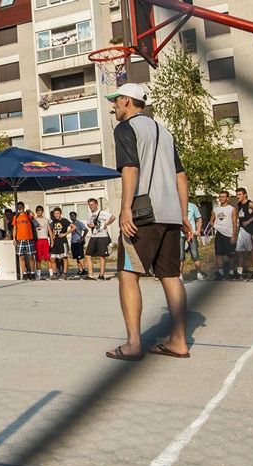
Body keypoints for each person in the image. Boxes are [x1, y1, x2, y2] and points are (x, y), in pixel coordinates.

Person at [106, 83, 192, 361]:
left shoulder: (126, 129)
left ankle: (133, 344)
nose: (113, 106)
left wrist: (125, 209)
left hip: (144, 214)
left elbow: (131, 167)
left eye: (116, 100)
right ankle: (179, 341)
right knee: (170, 276)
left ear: (128, 101)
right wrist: (183, 214)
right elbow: (181, 176)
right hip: (170, 215)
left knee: (128, 274)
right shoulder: (164, 131)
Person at [234, 187, 253, 280]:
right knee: (239, 251)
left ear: (245, 195)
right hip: (242, 230)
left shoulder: (249, 203)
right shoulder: (239, 204)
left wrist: (249, 220)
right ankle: (239, 272)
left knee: (252, 251)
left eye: (239, 194)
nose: (237, 196)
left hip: (250, 230)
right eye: (237, 194)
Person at [210, 190, 238, 280]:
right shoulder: (215, 209)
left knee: (230, 255)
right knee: (219, 254)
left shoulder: (232, 209)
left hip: (229, 234)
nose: (221, 198)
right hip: (219, 234)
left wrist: (234, 235)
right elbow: (212, 220)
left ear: (227, 198)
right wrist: (214, 225)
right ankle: (220, 273)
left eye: (223, 197)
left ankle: (231, 272)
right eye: (220, 197)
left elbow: (234, 223)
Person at [85, 198, 115, 281]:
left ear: (96, 204)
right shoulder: (89, 214)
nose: (91, 206)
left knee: (102, 256)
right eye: (89, 205)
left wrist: (106, 224)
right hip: (94, 236)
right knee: (87, 255)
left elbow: (113, 217)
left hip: (102, 236)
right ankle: (90, 275)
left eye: (92, 204)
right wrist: (90, 225)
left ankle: (101, 275)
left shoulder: (102, 213)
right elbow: (88, 224)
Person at [180, 201, 205, 281]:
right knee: (180, 255)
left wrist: (198, 231)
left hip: (191, 233)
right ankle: (180, 274)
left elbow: (199, 218)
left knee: (195, 253)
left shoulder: (192, 206)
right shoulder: (176, 205)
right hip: (180, 234)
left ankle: (199, 273)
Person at [12, 201, 36, 280]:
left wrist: (28, 211)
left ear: (23, 207)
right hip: (20, 239)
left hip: (29, 238)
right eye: (18, 207)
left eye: (21, 207)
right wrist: (14, 238)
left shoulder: (27, 215)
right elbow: (15, 228)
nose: (20, 208)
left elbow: (32, 215)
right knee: (21, 257)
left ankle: (32, 273)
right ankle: (24, 273)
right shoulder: (16, 216)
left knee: (31, 256)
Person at [49, 207, 73, 280]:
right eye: (55, 213)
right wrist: (52, 242)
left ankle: (64, 274)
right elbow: (53, 232)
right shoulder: (53, 222)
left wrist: (65, 233)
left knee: (64, 258)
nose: (56, 215)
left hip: (63, 242)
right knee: (52, 259)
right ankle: (55, 274)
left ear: (61, 214)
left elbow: (74, 227)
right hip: (55, 243)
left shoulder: (64, 220)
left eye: (58, 213)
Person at [33, 206, 51, 280]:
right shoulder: (34, 220)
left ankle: (52, 274)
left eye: (40, 210)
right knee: (38, 259)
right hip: (37, 240)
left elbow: (49, 230)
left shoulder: (46, 220)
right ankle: (39, 275)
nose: (38, 212)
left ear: (42, 211)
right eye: (37, 210)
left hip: (45, 240)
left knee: (48, 258)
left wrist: (52, 241)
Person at [68, 211, 88, 277]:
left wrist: (82, 237)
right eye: (70, 216)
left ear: (76, 216)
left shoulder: (79, 223)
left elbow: (86, 230)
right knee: (76, 257)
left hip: (78, 242)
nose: (72, 217)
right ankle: (80, 270)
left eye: (73, 216)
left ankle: (84, 269)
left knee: (80, 257)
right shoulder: (71, 223)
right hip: (73, 242)